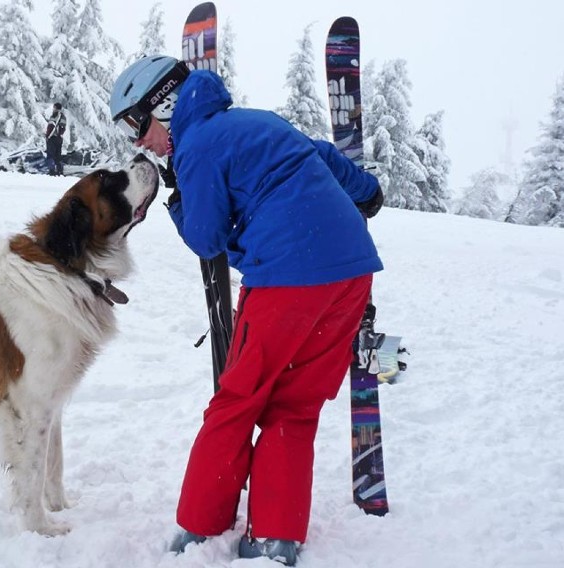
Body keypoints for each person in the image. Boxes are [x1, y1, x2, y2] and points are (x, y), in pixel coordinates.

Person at [109, 55, 385, 566]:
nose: (138, 142)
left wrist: (177, 197)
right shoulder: (258, 122)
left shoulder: (195, 149)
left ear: (163, 107)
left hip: (288, 276)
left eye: (136, 125)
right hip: (351, 276)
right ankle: (275, 539)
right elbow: (321, 155)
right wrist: (366, 193)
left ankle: (200, 526)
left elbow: (207, 237)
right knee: (295, 408)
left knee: (237, 401)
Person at [45, 102, 67, 175]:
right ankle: (60, 170)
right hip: (59, 138)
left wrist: (48, 136)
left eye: (54, 107)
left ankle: (52, 170)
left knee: (50, 155)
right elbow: (63, 128)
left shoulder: (55, 115)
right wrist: (60, 134)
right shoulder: (63, 116)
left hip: (53, 138)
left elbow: (51, 127)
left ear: (56, 108)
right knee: (58, 155)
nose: (53, 109)